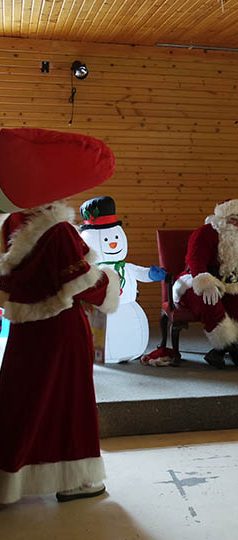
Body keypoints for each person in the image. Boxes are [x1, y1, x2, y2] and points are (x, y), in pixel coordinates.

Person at [0, 127, 119, 504]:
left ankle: (10, 478)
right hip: (61, 329)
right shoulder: (59, 231)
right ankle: (76, 480)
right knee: (70, 403)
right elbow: (83, 282)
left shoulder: (13, 224)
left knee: (22, 399)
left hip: (25, 329)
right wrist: (109, 283)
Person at [172, 199, 238, 370]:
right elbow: (195, 261)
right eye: (233, 219)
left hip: (226, 283)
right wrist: (206, 283)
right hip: (194, 280)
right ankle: (234, 351)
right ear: (222, 217)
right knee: (209, 300)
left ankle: (221, 349)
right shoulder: (205, 232)